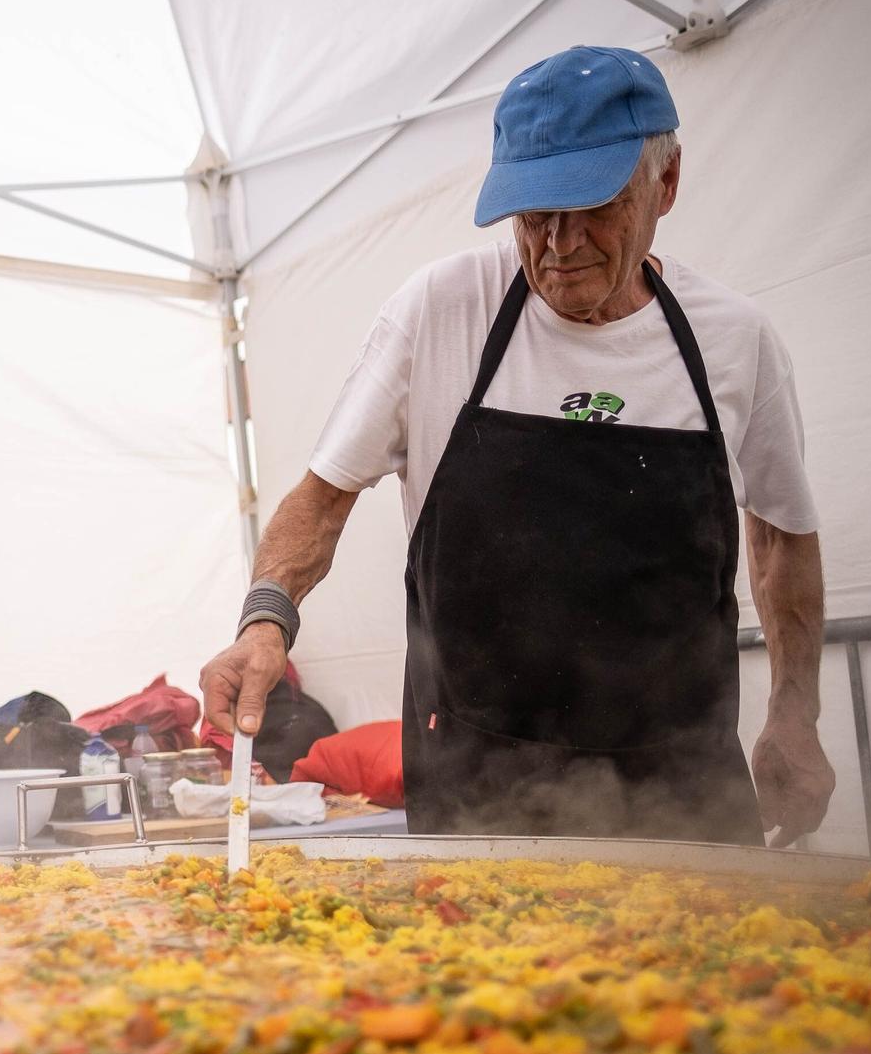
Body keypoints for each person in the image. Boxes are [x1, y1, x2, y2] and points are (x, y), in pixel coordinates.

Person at [200, 47, 835, 848]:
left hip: (682, 789)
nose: (560, 244)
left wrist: (793, 713)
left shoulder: (735, 340)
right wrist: (266, 621)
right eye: (534, 215)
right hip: (479, 791)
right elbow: (321, 503)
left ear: (665, 185)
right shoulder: (439, 312)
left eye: (592, 207)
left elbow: (780, 539)